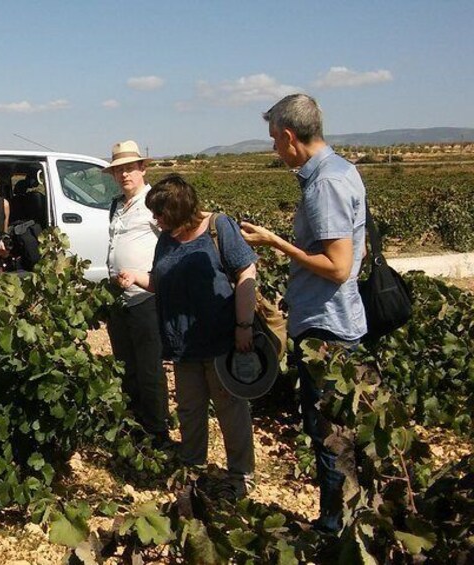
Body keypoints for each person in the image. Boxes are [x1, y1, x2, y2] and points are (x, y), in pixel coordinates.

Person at [240, 93, 367, 533]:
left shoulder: (325, 184)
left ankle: (336, 528)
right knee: (340, 430)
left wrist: (275, 243)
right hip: (336, 318)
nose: (274, 149)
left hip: (326, 328)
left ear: (290, 137)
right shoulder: (342, 169)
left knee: (329, 433)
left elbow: (338, 266)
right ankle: (352, 520)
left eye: (274, 139)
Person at [119, 174, 258, 499]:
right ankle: (193, 469)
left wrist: (243, 326)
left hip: (221, 341)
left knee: (230, 411)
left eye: (160, 213)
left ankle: (240, 477)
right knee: (190, 411)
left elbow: (246, 272)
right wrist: (134, 277)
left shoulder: (218, 227)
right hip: (183, 346)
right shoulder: (167, 238)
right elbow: (159, 282)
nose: (156, 220)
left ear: (179, 210)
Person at [104, 140, 171, 447]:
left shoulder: (154, 202)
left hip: (146, 297)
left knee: (149, 369)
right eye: (119, 170)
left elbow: (172, 243)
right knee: (125, 366)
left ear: (143, 168)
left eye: (130, 168)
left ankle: (157, 432)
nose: (125, 175)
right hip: (119, 299)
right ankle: (134, 425)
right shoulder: (116, 205)